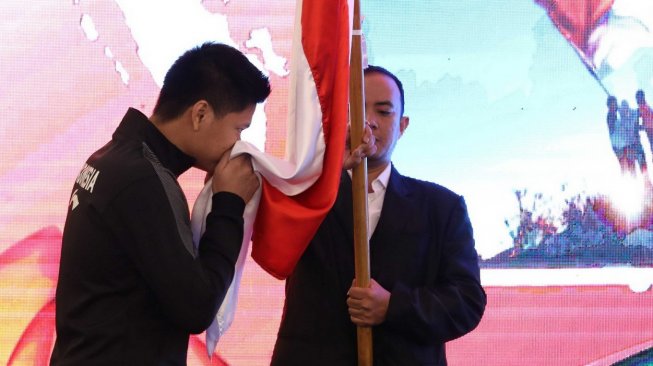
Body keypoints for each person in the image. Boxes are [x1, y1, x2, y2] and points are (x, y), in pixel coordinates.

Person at [50, 42, 270, 365]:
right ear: (200, 114)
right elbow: (198, 307)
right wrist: (228, 203)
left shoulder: (116, 159)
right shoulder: (141, 181)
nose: (238, 146)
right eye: (238, 129)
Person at [270, 65, 487, 365]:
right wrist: (330, 171)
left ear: (402, 125)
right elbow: (272, 244)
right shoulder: (306, 194)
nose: (367, 122)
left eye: (383, 112)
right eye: (355, 109)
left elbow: (466, 302)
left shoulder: (442, 208)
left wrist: (394, 306)